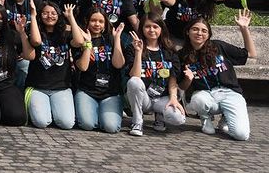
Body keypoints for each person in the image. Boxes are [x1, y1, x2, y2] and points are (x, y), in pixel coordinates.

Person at [180, 10, 256, 141]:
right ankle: (205, 118)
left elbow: (251, 54)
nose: (199, 33)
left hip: (230, 93)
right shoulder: (182, 55)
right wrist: (188, 79)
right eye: (195, 29)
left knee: (241, 135)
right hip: (206, 94)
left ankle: (225, 118)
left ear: (208, 34)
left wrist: (244, 29)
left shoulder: (218, 46)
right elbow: (181, 87)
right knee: (197, 100)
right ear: (188, 32)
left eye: (204, 31)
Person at [124, 9, 185, 137]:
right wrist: (138, 52)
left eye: (155, 27)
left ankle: (160, 115)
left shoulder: (169, 51)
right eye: (147, 27)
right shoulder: (132, 48)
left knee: (178, 118)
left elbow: (173, 78)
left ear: (161, 29)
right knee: (134, 82)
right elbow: (134, 76)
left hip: (162, 97)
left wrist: (173, 98)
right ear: (142, 29)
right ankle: (137, 121)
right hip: (143, 97)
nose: (151, 30)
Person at [26, 2, 84, 130]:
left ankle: (52, 110)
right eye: (45, 13)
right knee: (41, 122)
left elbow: (80, 41)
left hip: (61, 88)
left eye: (53, 13)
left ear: (58, 15)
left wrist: (70, 17)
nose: (49, 16)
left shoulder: (65, 33)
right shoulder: (35, 31)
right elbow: (36, 41)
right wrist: (33, 15)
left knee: (67, 123)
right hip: (38, 87)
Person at [72, 11, 126, 134]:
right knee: (87, 124)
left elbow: (118, 64)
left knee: (111, 127)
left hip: (110, 93)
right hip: (87, 91)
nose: (97, 24)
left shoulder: (111, 39)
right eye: (93, 20)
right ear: (87, 22)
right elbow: (83, 67)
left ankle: (104, 116)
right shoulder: (80, 41)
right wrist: (88, 44)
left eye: (101, 21)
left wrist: (117, 39)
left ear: (105, 24)